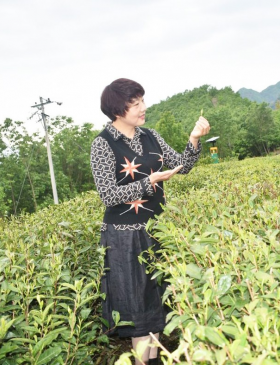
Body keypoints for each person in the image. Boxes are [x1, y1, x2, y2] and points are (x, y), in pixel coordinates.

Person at [90, 78, 210, 365]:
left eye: (142, 101)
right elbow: (108, 195)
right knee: (138, 311)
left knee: (156, 307)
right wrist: (148, 182)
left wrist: (194, 139)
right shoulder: (102, 144)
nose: (143, 108)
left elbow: (183, 166)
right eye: (135, 104)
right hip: (125, 238)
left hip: (158, 230)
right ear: (118, 110)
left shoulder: (151, 136)